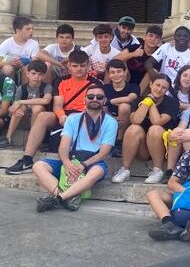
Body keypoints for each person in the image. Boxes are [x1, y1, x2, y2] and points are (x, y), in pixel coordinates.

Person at [7, 50, 101, 175]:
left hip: (84, 116)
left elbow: (96, 108)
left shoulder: (96, 83)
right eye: (75, 66)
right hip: (64, 114)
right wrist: (61, 116)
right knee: (43, 116)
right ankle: (27, 159)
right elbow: (57, 105)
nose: (79, 69)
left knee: (73, 117)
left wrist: (73, 118)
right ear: (69, 66)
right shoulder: (61, 81)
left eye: (82, 66)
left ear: (88, 65)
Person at [32, 84, 117, 212]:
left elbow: (104, 152)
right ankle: (68, 197)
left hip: (93, 161)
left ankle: (58, 199)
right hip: (72, 158)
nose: (95, 99)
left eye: (99, 97)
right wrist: (67, 163)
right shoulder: (73, 119)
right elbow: (63, 146)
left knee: (96, 172)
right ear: (85, 99)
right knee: (38, 166)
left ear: (104, 100)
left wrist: (84, 164)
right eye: (90, 96)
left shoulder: (111, 122)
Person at [110, 74, 181, 184]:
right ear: (151, 84)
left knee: (155, 129)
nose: (159, 89)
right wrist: (147, 102)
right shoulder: (139, 99)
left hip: (162, 148)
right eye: (157, 85)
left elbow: (157, 122)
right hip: (142, 149)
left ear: (167, 90)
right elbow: (136, 120)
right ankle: (125, 169)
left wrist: (151, 104)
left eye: (164, 87)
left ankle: (158, 170)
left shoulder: (172, 103)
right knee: (133, 128)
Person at [0, 60, 51, 149]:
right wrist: (15, 110)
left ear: (44, 75)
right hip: (24, 118)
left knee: (37, 108)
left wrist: (21, 101)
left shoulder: (47, 87)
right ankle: (8, 138)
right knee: (20, 108)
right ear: (27, 74)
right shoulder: (21, 88)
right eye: (33, 73)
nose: (36, 77)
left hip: (40, 120)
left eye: (40, 74)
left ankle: (31, 139)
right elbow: (12, 108)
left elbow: (46, 100)